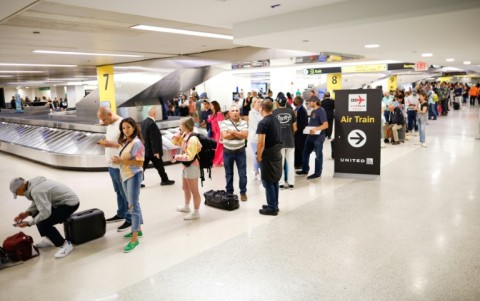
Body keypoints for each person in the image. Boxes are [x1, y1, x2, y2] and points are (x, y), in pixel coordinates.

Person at [10, 176, 80, 259]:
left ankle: (65, 244)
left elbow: (45, 213)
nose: (19, 195)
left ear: (20, 189)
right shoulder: (31, 184)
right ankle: (51, 239)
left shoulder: (36, 191)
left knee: (44, 223)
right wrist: (26, 213)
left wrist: (28, 223)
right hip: (60, 202)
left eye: (17, 193)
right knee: (37, 215)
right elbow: (38, 202)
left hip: (70, 204)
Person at [111, 118, 145, 252]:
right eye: (123, 128)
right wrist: (121, 168)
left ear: (134, 127)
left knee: (133, 205)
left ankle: (134, 239)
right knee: (133, 203)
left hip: (134, 176)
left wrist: (121, 161)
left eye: (128, 127)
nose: (125, 130)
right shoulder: (127, 141)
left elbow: (140, 163)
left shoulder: (137, 143)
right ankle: (138, 230)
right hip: (125, 175)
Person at [97, 107, 131, 232]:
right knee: (118, 191)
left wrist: (111, 144)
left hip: (120, 166)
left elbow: (128, 145)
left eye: (104, 119)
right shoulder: (110, 125)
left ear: (110, 114)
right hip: (111, 165)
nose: (104, 122)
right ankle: (121, 213)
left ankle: (129, 218)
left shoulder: (123, 125)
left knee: (125, 193)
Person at [171, 117, 202, 220]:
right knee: (185, 187)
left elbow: (190, 156)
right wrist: (179, 133)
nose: (179, 126)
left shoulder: (192, 139)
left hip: (192, 166)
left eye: (181, 124)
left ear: (186, 126)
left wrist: (177, 157)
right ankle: (186, 206)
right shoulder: (185, 135)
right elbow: (174, 142)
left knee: (194, 191)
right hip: (186, 165)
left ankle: (196, 212)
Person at [256, 99, 283, 216]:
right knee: (275, 179)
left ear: (262, 108)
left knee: (267, 181)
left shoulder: (263, 123)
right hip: (277, 153)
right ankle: (274, 204)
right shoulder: (276, 119)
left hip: (268, 155)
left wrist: (259, 156)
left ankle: (272, 208)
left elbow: (261, 143)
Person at [140, 107, 175, 187]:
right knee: (159, 166)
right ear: (154, 114)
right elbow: (153, 139)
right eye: (156, 113)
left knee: (143, 167)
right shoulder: (152, 124)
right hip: (153, 151)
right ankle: (165, 180)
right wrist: (156, 152)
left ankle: (137, 182)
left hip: (146, 149)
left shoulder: (143, 122)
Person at [220, 104, 249, 201]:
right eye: (233, 111)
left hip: (240, 152)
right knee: (228, 174)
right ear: (229, 113)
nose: (235, 112)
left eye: (237, 110)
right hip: (227, 152)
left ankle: (243, 192)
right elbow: (225, 136)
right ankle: (229, 192)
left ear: (239, 112)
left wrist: (232, 132)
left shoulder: (244, 122)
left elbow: (245, 135)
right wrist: (239, 134)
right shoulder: (224, 123)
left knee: (242, 174)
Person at [296, 96, 328, 179]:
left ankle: (317, 173)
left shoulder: (321, 111)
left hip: (318, 136)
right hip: (310, 135)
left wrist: (316, 129)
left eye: (309, 102)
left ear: (314, 101)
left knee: (318, 155)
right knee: (305, 153)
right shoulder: (314, 110)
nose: (308, 103)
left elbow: (325, 125)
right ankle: (305, 169)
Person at [273, 92, 296, 189]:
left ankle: (281, 183)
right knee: (290, 163)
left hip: (279, 142)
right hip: (290, 140)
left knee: (280, 163)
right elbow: (295, 128)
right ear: (286, 103)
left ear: (277, 103)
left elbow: (273, 128)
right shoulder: (291, 112)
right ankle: (291, 183)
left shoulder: (274, 113)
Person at [248, 97, 263, 179]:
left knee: (261, 154)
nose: (260, 103)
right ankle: (256, 171)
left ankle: (260, 169)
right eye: (258, 102)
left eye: (260, 102)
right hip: (254, 137)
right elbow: (256, 125)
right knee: (256, 155)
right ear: (254, 103)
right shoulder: (252, 113)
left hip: (261, 137)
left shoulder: (260, 112)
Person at [208, 101, 224, 166]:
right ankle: (216, 160)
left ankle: (218, 161)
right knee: (215, 147)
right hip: (214, 133)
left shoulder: (219, 114)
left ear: (215, 105)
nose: (210, 106)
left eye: (211, 105)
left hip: (218, 133)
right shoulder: (213, 113)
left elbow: (221, 125)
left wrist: (222, 135)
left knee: (218, 147)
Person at [294, 96, 308, 169]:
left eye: (295, 101)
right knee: (297, 149)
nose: (294, 102)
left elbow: (302, 124)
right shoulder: (297, 109)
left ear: (298, 102)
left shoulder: (302, 110)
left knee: (300, 149)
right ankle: (297, 163)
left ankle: (301, 164)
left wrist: (296, 131)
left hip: (301, 134)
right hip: (297, 134)